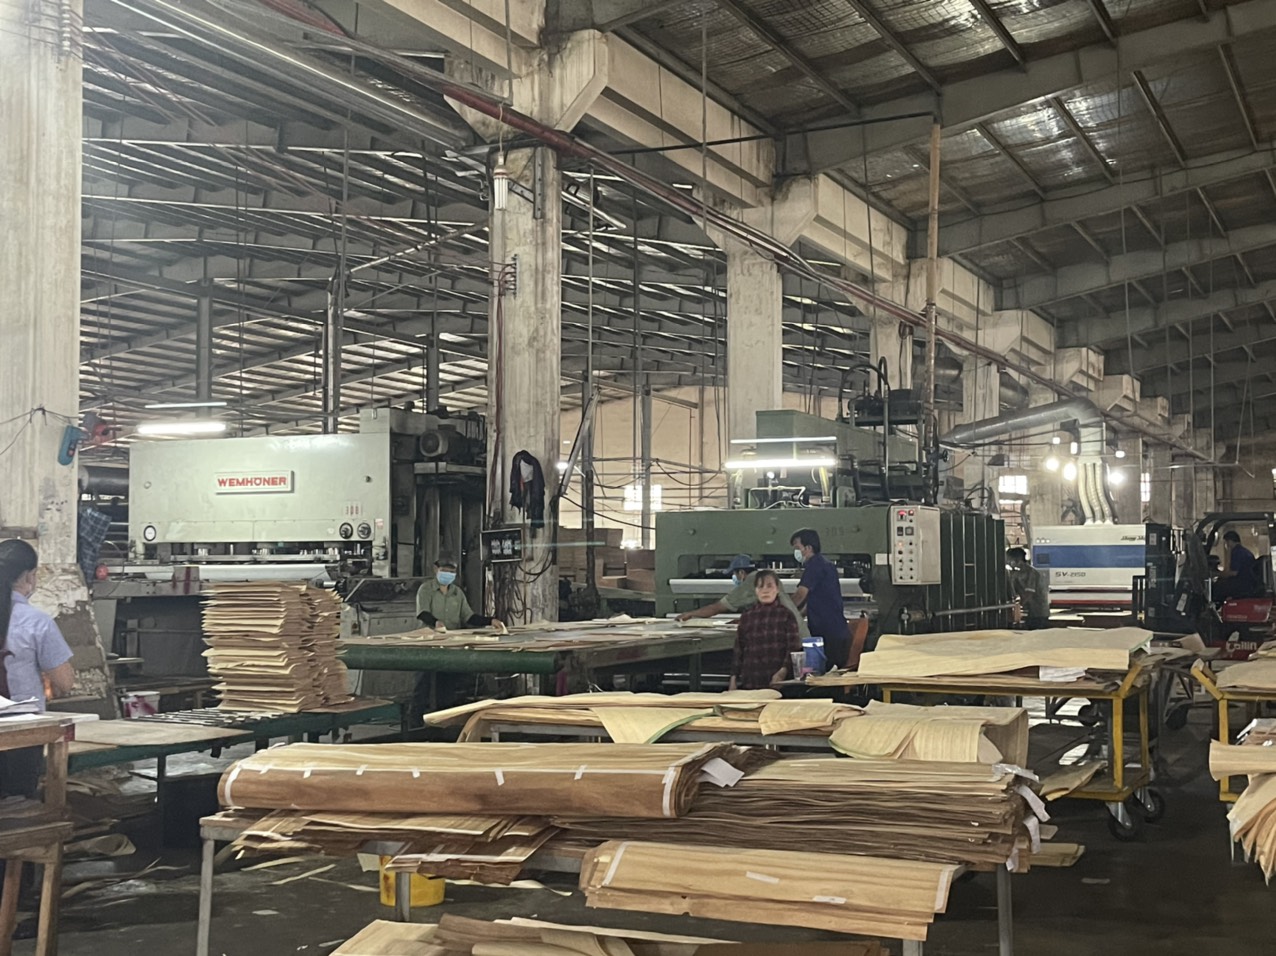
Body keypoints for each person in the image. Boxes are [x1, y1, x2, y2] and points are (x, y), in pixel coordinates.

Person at [0, 539, 75, 800]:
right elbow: (65, 682)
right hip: (22, 731)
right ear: (30, 576)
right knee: (18, 804)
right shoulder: (36, 622)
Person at [677, 554, 809, 639]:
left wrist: (691, 614)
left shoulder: (752, 580)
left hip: (791, 640)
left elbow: (718, 607)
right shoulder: (762, 578)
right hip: (798, 636)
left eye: (734, 574)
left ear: (741, 572)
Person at [730, 570, 801, 691]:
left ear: (777, 589)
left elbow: (793, 647)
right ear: (755, 590)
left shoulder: (786, 615)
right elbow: (738, 650)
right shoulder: (747, 616)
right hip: (751, 680)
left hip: (778, 681)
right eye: (760, 586)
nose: (765, 590)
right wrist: (733, 678)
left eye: (769, 586)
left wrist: (783, 671)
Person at [790, 529, 850, 670]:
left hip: (828, 632)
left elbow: (800, 595)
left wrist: (782, 610)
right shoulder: (823, 564)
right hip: (833, 630)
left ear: (808, 548)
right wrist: (797, 616)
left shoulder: (815, 565)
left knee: (825, 672)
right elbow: (813, 601)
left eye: (797, 547)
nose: (796, 552)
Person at [414, 553, 500, 631]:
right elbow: (423, 613)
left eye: (451, 572)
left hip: (452, 636)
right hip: (429, 636)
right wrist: (435, 622)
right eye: (444, 570)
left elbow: (469, 617)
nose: (448, 574)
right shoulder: (426, 589)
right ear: (436, 569)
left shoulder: (458, 593)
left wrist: (490, 621)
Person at [1007, 547, 1050, 629]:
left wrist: (1017, 606)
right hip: (1030, 612)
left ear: (1018, 560)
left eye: (1010, 560)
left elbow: (1029, 593)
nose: (1008, 563)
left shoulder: (1031, 573)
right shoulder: (1017, 573)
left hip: (1038, 612)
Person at [1214, 530, 1262, 601]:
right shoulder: (1246, 551)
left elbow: (1234, 572)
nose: (1226, 545)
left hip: (1242, 583)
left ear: (1230, 541)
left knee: (1217, 587)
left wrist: (1220, 574)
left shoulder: (1236, 552)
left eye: (1226, 542)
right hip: (1250, 583)